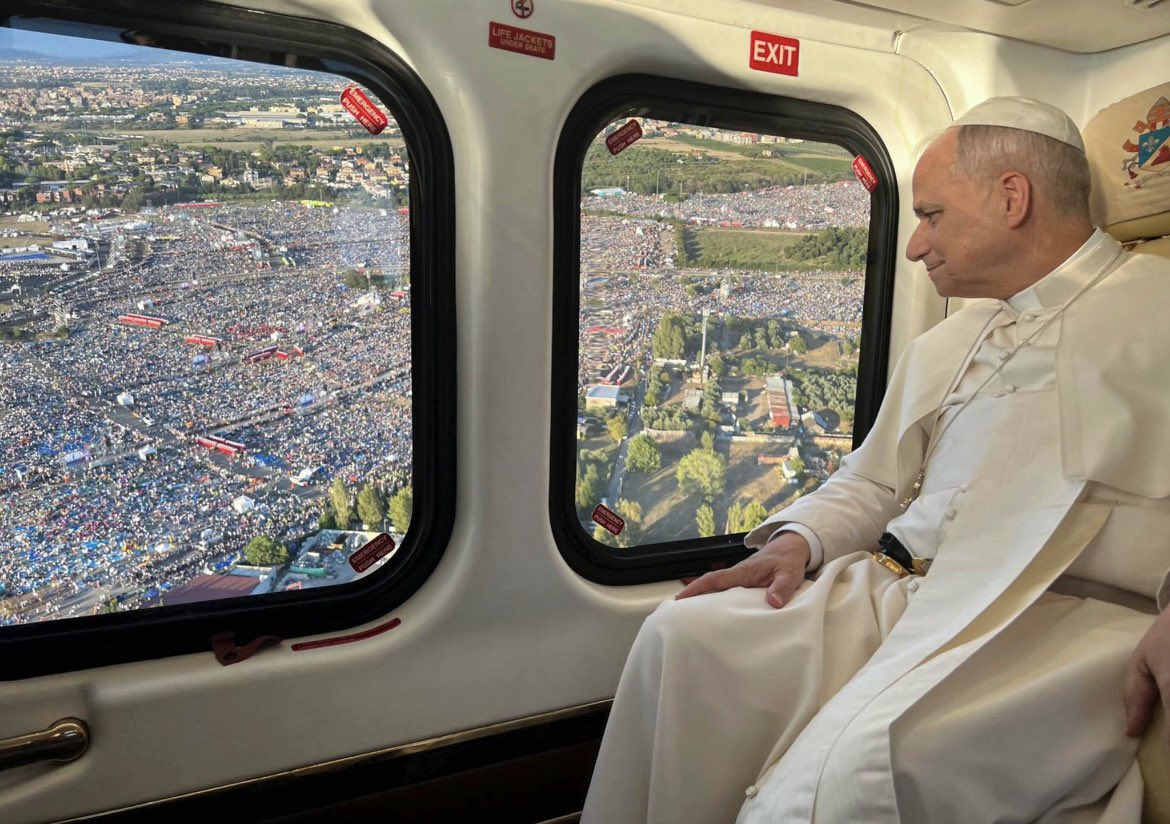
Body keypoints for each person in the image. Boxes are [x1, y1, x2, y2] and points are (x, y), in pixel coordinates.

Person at [580, 96, 1170, 823]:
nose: (916, 246)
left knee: (847, 779)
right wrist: (800, 541)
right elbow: (874, 480)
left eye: (932, 215)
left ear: (1012, 197)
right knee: (680, 638)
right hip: (897, 591)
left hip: (1046, 627)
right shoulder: (951, 340)